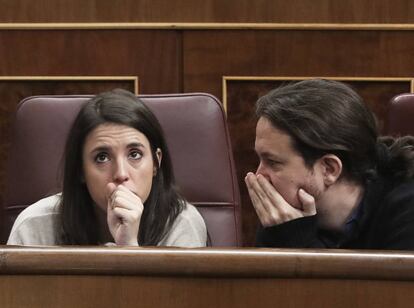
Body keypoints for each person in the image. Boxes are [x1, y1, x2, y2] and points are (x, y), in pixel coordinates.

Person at [8, 89, 207, 247]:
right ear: (80, 170)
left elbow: (177, 300)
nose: (120, 173)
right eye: (102, 157)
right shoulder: (34, 226)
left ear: (156, 163)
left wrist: (128, 246)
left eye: (134, 154)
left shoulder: (182, 224)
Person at [245, 79, 414, 250]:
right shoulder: (284, 215)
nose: (259, 175)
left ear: (329, 169)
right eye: (260, 159)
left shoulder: (406, 210)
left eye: (273, 162)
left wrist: (297, 240)